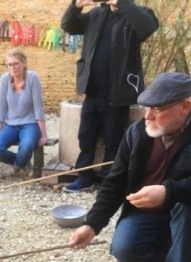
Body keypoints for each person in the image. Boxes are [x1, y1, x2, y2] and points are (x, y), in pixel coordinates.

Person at [68, 72, 191, 262]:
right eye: (146, 107)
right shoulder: (136, 133)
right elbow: (116, 181)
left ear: (184, 107)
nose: (148, 116)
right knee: (123, 249)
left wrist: (168, 192)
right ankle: (171, 252)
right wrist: (92, 224)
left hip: (187, 210)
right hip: (149, 211)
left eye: (157, 109)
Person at [61, 0, 158, 192]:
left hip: (118, 91)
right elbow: (69, 25)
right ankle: (84, 178)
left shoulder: (137, 14)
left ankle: (108, 181)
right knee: (86, 137)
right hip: (93, 90)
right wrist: (76, 5)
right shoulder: (97, 15)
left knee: (113, 139)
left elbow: (147, 27)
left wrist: (122, 3)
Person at [0, 48, 47, 179]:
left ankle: (15, 168)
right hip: (11, 124)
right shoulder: (5, 79)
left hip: (30, 124)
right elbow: (2, 108)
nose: (13, 67)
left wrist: (43, 134)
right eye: (10, 64)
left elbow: (38, 108)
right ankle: (24, 163)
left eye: (16, 63)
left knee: (26, 146)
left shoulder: (33, 77)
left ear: (24, 63)